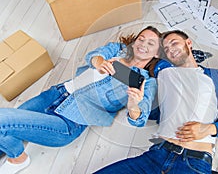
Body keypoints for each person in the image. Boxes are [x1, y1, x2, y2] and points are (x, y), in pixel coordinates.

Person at [0, 26, 163, 174]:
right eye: (141, 39)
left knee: (3, 120)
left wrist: (133, 104)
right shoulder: (117, 50)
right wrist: (100, 62)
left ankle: (17, 159)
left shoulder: (146, 82)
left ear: (157, 53)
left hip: (69, 121)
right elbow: (92, 56)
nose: (143, 44)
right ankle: (16, 158)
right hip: (56, 95)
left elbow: (139, 119)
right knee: (5, 127)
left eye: (151, 43)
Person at [94, 30, 218, 174]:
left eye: (174, 43)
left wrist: (209, 129)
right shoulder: (161, 69)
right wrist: (107, 65)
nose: (171, 50)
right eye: (166, 49)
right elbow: (135, 75)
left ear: (189, 43)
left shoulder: (215, 76)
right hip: (156, 155)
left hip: (193, 161)